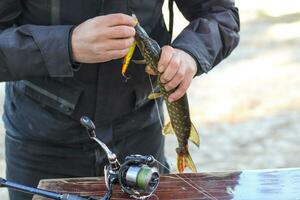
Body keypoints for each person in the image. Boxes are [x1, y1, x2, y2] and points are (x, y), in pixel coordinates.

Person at [0, 0, 240, 199]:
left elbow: (220, 14)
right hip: (42, 141)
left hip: (141, 138)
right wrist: (66, 44)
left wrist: (190, 54)